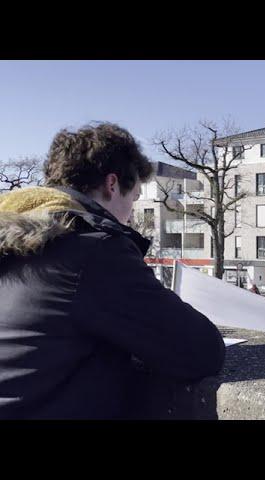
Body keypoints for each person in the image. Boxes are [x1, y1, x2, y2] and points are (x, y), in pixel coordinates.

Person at [0, 122, 226, 419]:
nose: (131, 215)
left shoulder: (17, 242)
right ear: (112, 185)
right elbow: (202, 351)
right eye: (133, 198)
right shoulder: (89, 249)